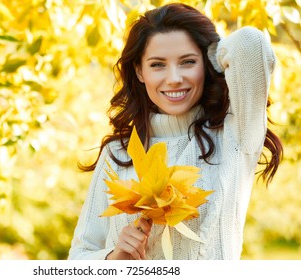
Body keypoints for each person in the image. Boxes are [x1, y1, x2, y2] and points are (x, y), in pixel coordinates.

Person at [68, 3, 283, 260]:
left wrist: (212, 53)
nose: (174, 78)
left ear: (206, 64)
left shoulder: (235, 136)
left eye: (188, 62)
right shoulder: (119, 152)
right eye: (158, 65)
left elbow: (250, 43)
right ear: (139, 71)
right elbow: (78, 258)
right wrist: (113, 258)